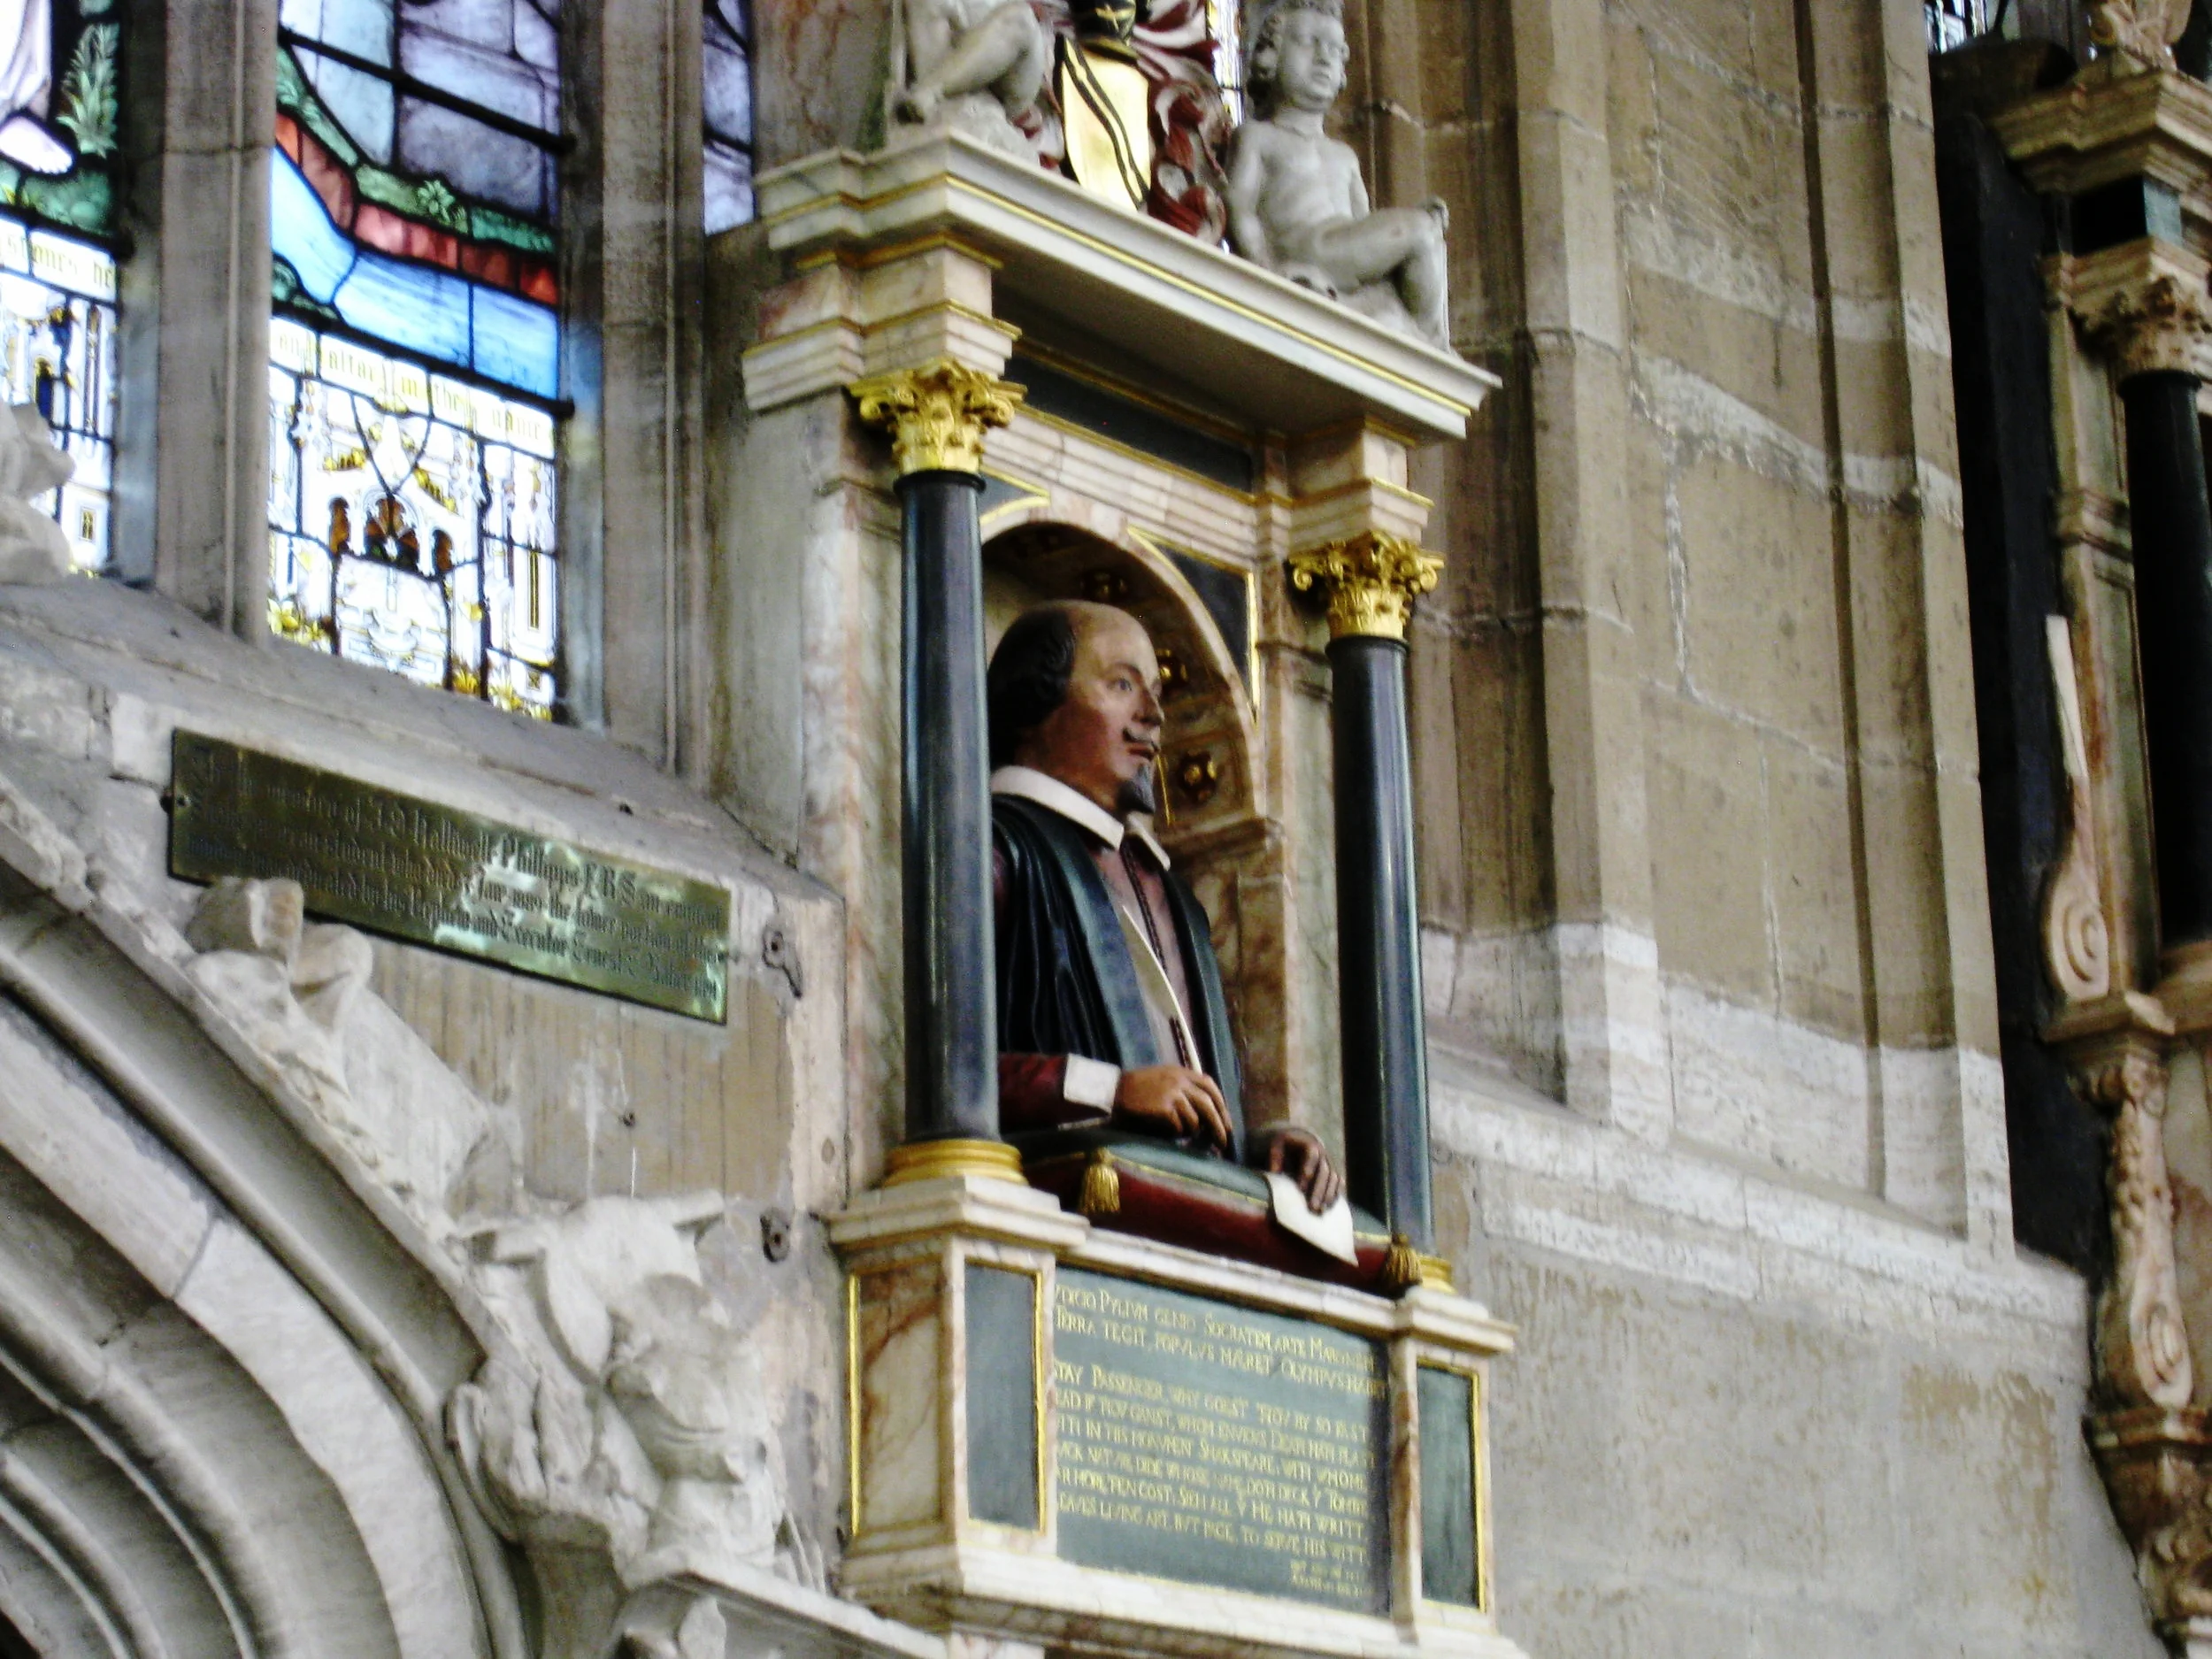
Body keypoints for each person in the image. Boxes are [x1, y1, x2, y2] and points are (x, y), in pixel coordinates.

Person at [987, 599, 1343, 1214]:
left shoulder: (1170, 891)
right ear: (1035, 703)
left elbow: (1174, 1093)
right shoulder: (997, 846)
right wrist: (1113, 1090)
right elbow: (946, 1070)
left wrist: (1251, 1147)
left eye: (1153, 692)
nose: (1153, 716)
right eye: (1122, 684)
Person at [1223, 0, 1450, 350]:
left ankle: (1386, 323)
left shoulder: (1343, 156)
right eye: (1309, 42)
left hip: (1341, 255)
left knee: (1428, 232)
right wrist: (1265, 271)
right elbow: (1240, 209)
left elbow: (1363, 222)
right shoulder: (1258, 137)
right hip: (1305, 250)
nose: (1325, 58)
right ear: (1270, 55)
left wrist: (1417, 218)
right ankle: (1428, 344)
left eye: (1335, 50)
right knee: (1420, 231)